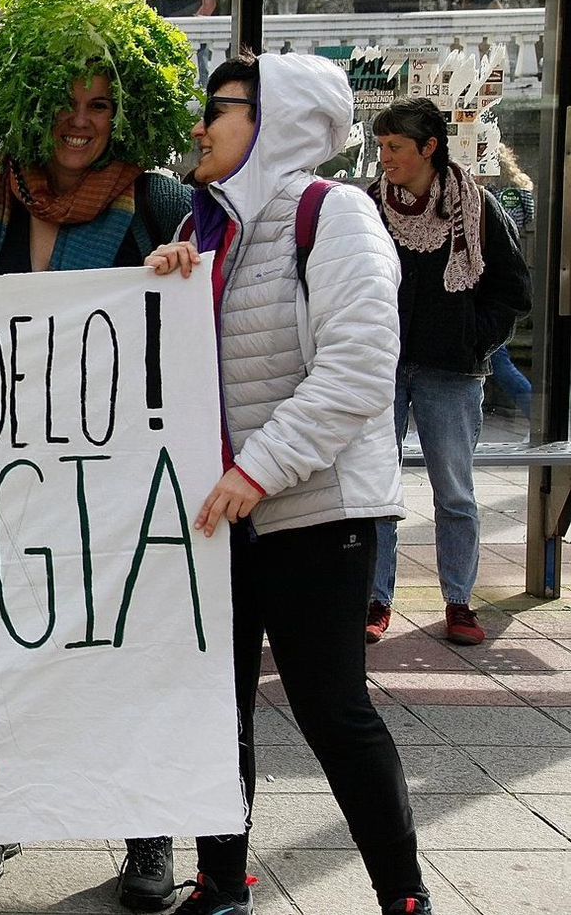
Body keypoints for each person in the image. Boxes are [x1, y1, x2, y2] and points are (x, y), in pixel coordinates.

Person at [0, 0, 197, 911]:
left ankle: (148, 835)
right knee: (7, 647)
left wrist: (186, 267)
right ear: (30, 101)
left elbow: (209, 295)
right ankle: (2, 809)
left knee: (131, 649)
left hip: (120, 477)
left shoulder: (157, 202)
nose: (80, 121)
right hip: (1, 474)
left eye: (99, 104)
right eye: (64, 101)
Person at [147, 50, 434, 915]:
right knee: (215, 708)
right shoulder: (204, 229)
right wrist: (163, 294)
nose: (200, 125)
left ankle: (404, 895)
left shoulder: (334, 214)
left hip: (315, 512)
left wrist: (257, 470)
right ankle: (221, 882)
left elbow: (358, 368)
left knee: (332, 709)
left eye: (219, 108)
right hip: (223, 516)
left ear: (274, 121)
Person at [365, 98, 531, 648]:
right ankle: (375, 599)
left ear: (429, 147)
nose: (385, 157)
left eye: (395, 147)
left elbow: (513, 289)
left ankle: (459, 601)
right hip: (382, 366)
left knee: (455, 492)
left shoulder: (478, 207)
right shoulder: (369, 206)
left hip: (453, 372)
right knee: (377, 488)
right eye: (381, 146)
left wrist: (472, 338)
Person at [485, 143, 535, 419]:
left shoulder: (489, 196)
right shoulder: (518, 191)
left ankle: (535, 412)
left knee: (499, 358)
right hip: (512, 269)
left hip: (491, 278)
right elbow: (528, 220)